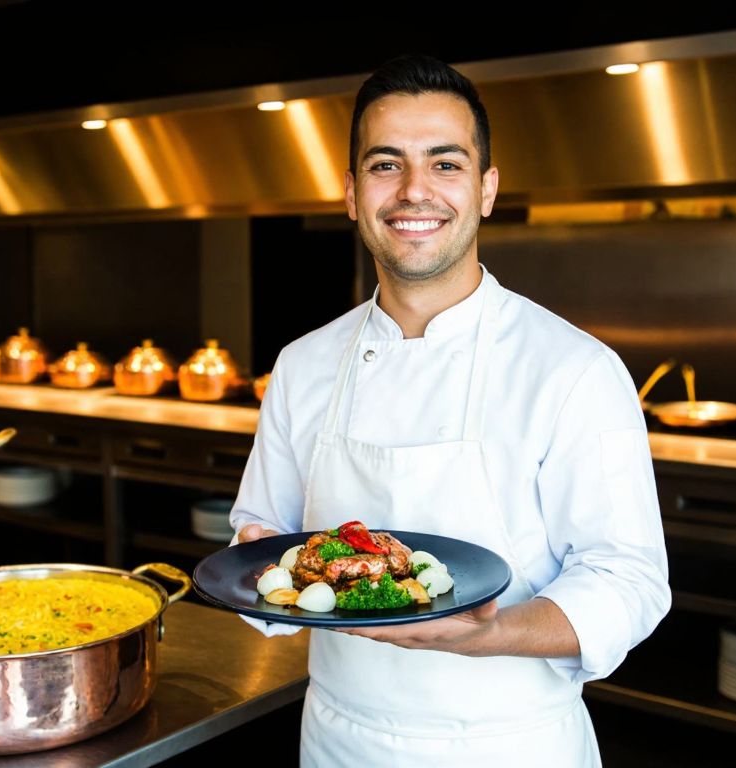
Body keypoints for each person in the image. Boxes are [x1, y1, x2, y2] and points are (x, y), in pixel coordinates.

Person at [229, 54, 670, 766]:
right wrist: (257, 557)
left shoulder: (573, 368)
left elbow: (629, 581)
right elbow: (268, 533)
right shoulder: (303, 364)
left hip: (510, 743)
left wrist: (490, 634)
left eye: (445, 164)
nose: (413, 191)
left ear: (487, 189)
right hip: (339, 737)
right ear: (350, 193)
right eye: (384, 165)